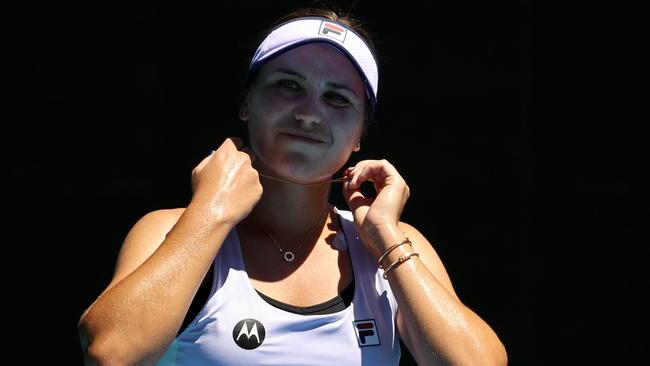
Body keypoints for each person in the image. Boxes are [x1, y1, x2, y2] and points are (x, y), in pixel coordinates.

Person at [78, 7, 508, 366]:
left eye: (338, 97)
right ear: (246, 104)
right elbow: (110, 353)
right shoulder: (170, 229)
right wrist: (211, 211)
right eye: (288, 85)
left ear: (359, 135)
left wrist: (385, 238)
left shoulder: (393, 246)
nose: (309, 113)